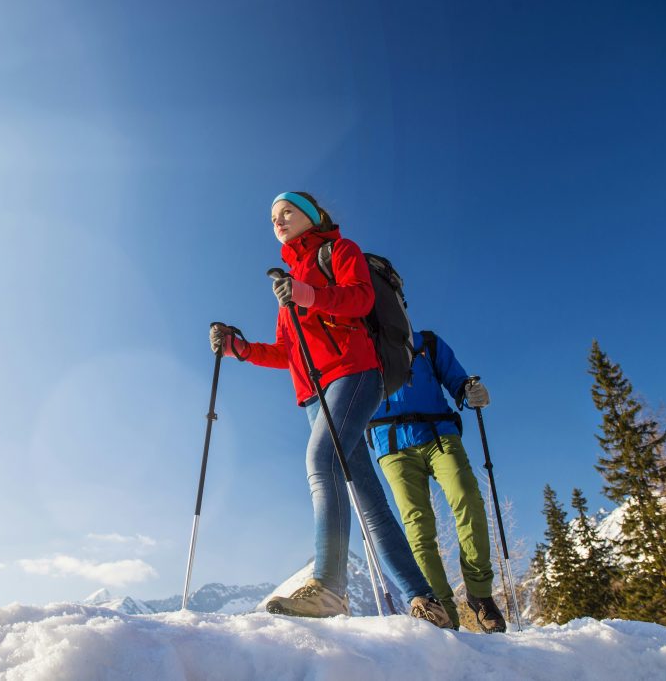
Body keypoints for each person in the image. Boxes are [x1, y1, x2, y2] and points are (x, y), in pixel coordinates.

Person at [210, 191, 451, 627]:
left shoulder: (339, 250)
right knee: (366, 497)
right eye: (273, 217)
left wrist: (307, 294)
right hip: (312, 394)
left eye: (287, 212)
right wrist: (239, 349)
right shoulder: (289, 279)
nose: (278, 221)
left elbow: (359, 299)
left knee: (321, 461)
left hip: (354, 372)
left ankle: (329, 588)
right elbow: (287, 350)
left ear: (311, 216)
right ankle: (424, 601)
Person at [365, 329, 507, 633]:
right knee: (417, 527)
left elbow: (457, 381)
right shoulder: (357, 343)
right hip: (390, 443)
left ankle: (480, 595)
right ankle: (441, 612)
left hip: (439, 434)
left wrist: (470, 391)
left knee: (467, 496)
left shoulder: (426, 342)